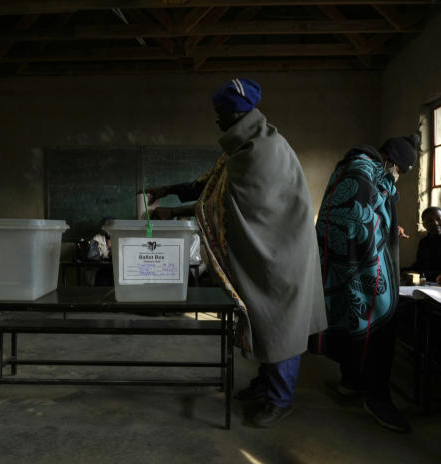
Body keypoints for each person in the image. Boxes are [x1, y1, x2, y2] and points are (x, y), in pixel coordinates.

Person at [147, 78, 327, 428]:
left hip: (281, 255)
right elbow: (211, 185)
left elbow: (223, 204)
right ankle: (266, 386)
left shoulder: (262, 152)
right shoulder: (250, 142)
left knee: (280, 326)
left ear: (234, 113)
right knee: (263, 322)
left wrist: (174, 212)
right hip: (269, 251)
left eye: (219, 114)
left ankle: (280, 399)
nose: (216, 121)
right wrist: (167, 191)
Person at [311, 133, 419, 433]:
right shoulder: (364, 168)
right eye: (399, 171)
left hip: (346, 261)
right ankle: (377, 398)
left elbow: (364, 210)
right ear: (392, 162)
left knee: (353, 318)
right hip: (359, 264)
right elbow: (352, 218)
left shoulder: (361, 167)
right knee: (379, 323)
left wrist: (387, 225)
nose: (397, 178)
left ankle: (352, 380)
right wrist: (381, 240)